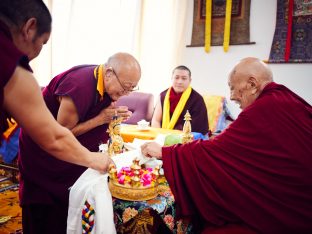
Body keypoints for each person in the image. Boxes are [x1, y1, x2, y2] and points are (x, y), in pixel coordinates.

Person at [141, 57, 312, 233]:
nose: (230, 96)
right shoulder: (288, 97)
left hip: (293, 214)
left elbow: (215, 150)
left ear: (252, 84)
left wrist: (166, 153)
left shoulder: (260, 110)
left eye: (232, 87)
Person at [18, 52, 141, 233]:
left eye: (132, 89)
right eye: (125, 87)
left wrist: (110, 117)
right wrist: (100, 119)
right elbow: (60, 134)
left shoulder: (102, 83)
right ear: (109, 73)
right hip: (44, 153)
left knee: (67, 207)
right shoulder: (79, 86)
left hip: (69, 156)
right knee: (45, 209)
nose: (126, 93)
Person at [151, 65, 209, 135]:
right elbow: (156, 120)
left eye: (184, 78)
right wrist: (159, 136)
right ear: (172, 78)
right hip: (162, 136)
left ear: (190, 81)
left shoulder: (197, 99)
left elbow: (197, 127)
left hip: (185, 138)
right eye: (176, 78)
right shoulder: (163, 95)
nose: (179, 81)